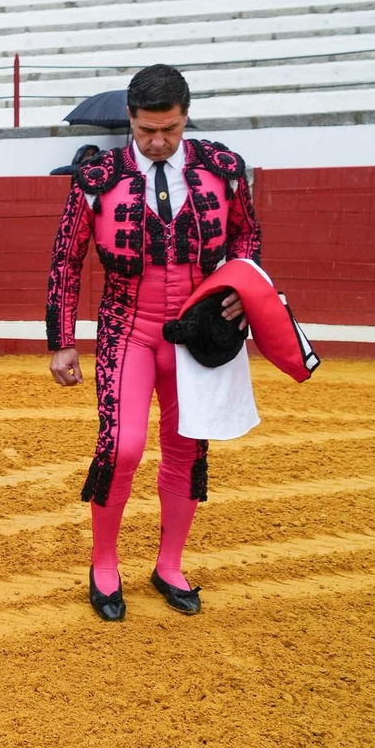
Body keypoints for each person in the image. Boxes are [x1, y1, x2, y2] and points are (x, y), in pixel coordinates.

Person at [45, 64, 264, 621]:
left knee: (189, 449)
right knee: (123, 447)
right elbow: (65, 259)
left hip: (198, 331)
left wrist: (242, 280)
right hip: (126, 325)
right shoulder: (96, 177)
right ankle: (103, 563)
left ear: (185, 115)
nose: (159, 141)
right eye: (147, 131)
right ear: (131, 121)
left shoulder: (223, 169)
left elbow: (246, 234)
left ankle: (169, 564)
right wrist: (62, 339)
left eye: (169, 128)